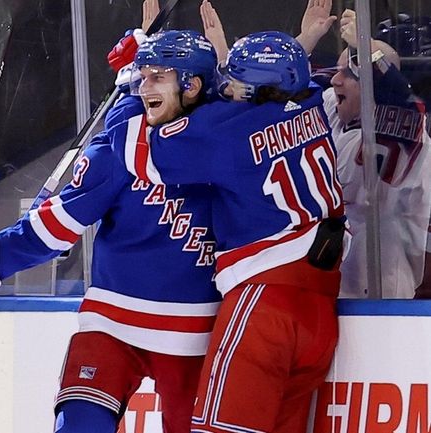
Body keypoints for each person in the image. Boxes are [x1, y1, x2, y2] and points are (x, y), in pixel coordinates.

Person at [0, 30, 222, 433]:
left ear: (192, 84)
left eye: (157, 76)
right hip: (113, 324)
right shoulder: (120, 145)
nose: (143, 85)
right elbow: (51, 229)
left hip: (196, 333)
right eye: (141, 75)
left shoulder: (224, 144)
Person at [111, 28, 347, 433]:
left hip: (264, 305)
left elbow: (134, 151)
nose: (226, 88)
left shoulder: (228, 129)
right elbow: (284, 79)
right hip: (320, 312)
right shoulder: (311, 101)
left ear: (257, 91)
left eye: (236, 83)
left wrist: (129, 85)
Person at [296, 4, 431, 298]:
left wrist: (369, 50)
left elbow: (402, 98)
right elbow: (281, 102)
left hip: (381, 284)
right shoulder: (335, 109)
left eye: (351, 72)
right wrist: (303, 43)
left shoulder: (409, 126)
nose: (335, 79)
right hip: (325, 279)